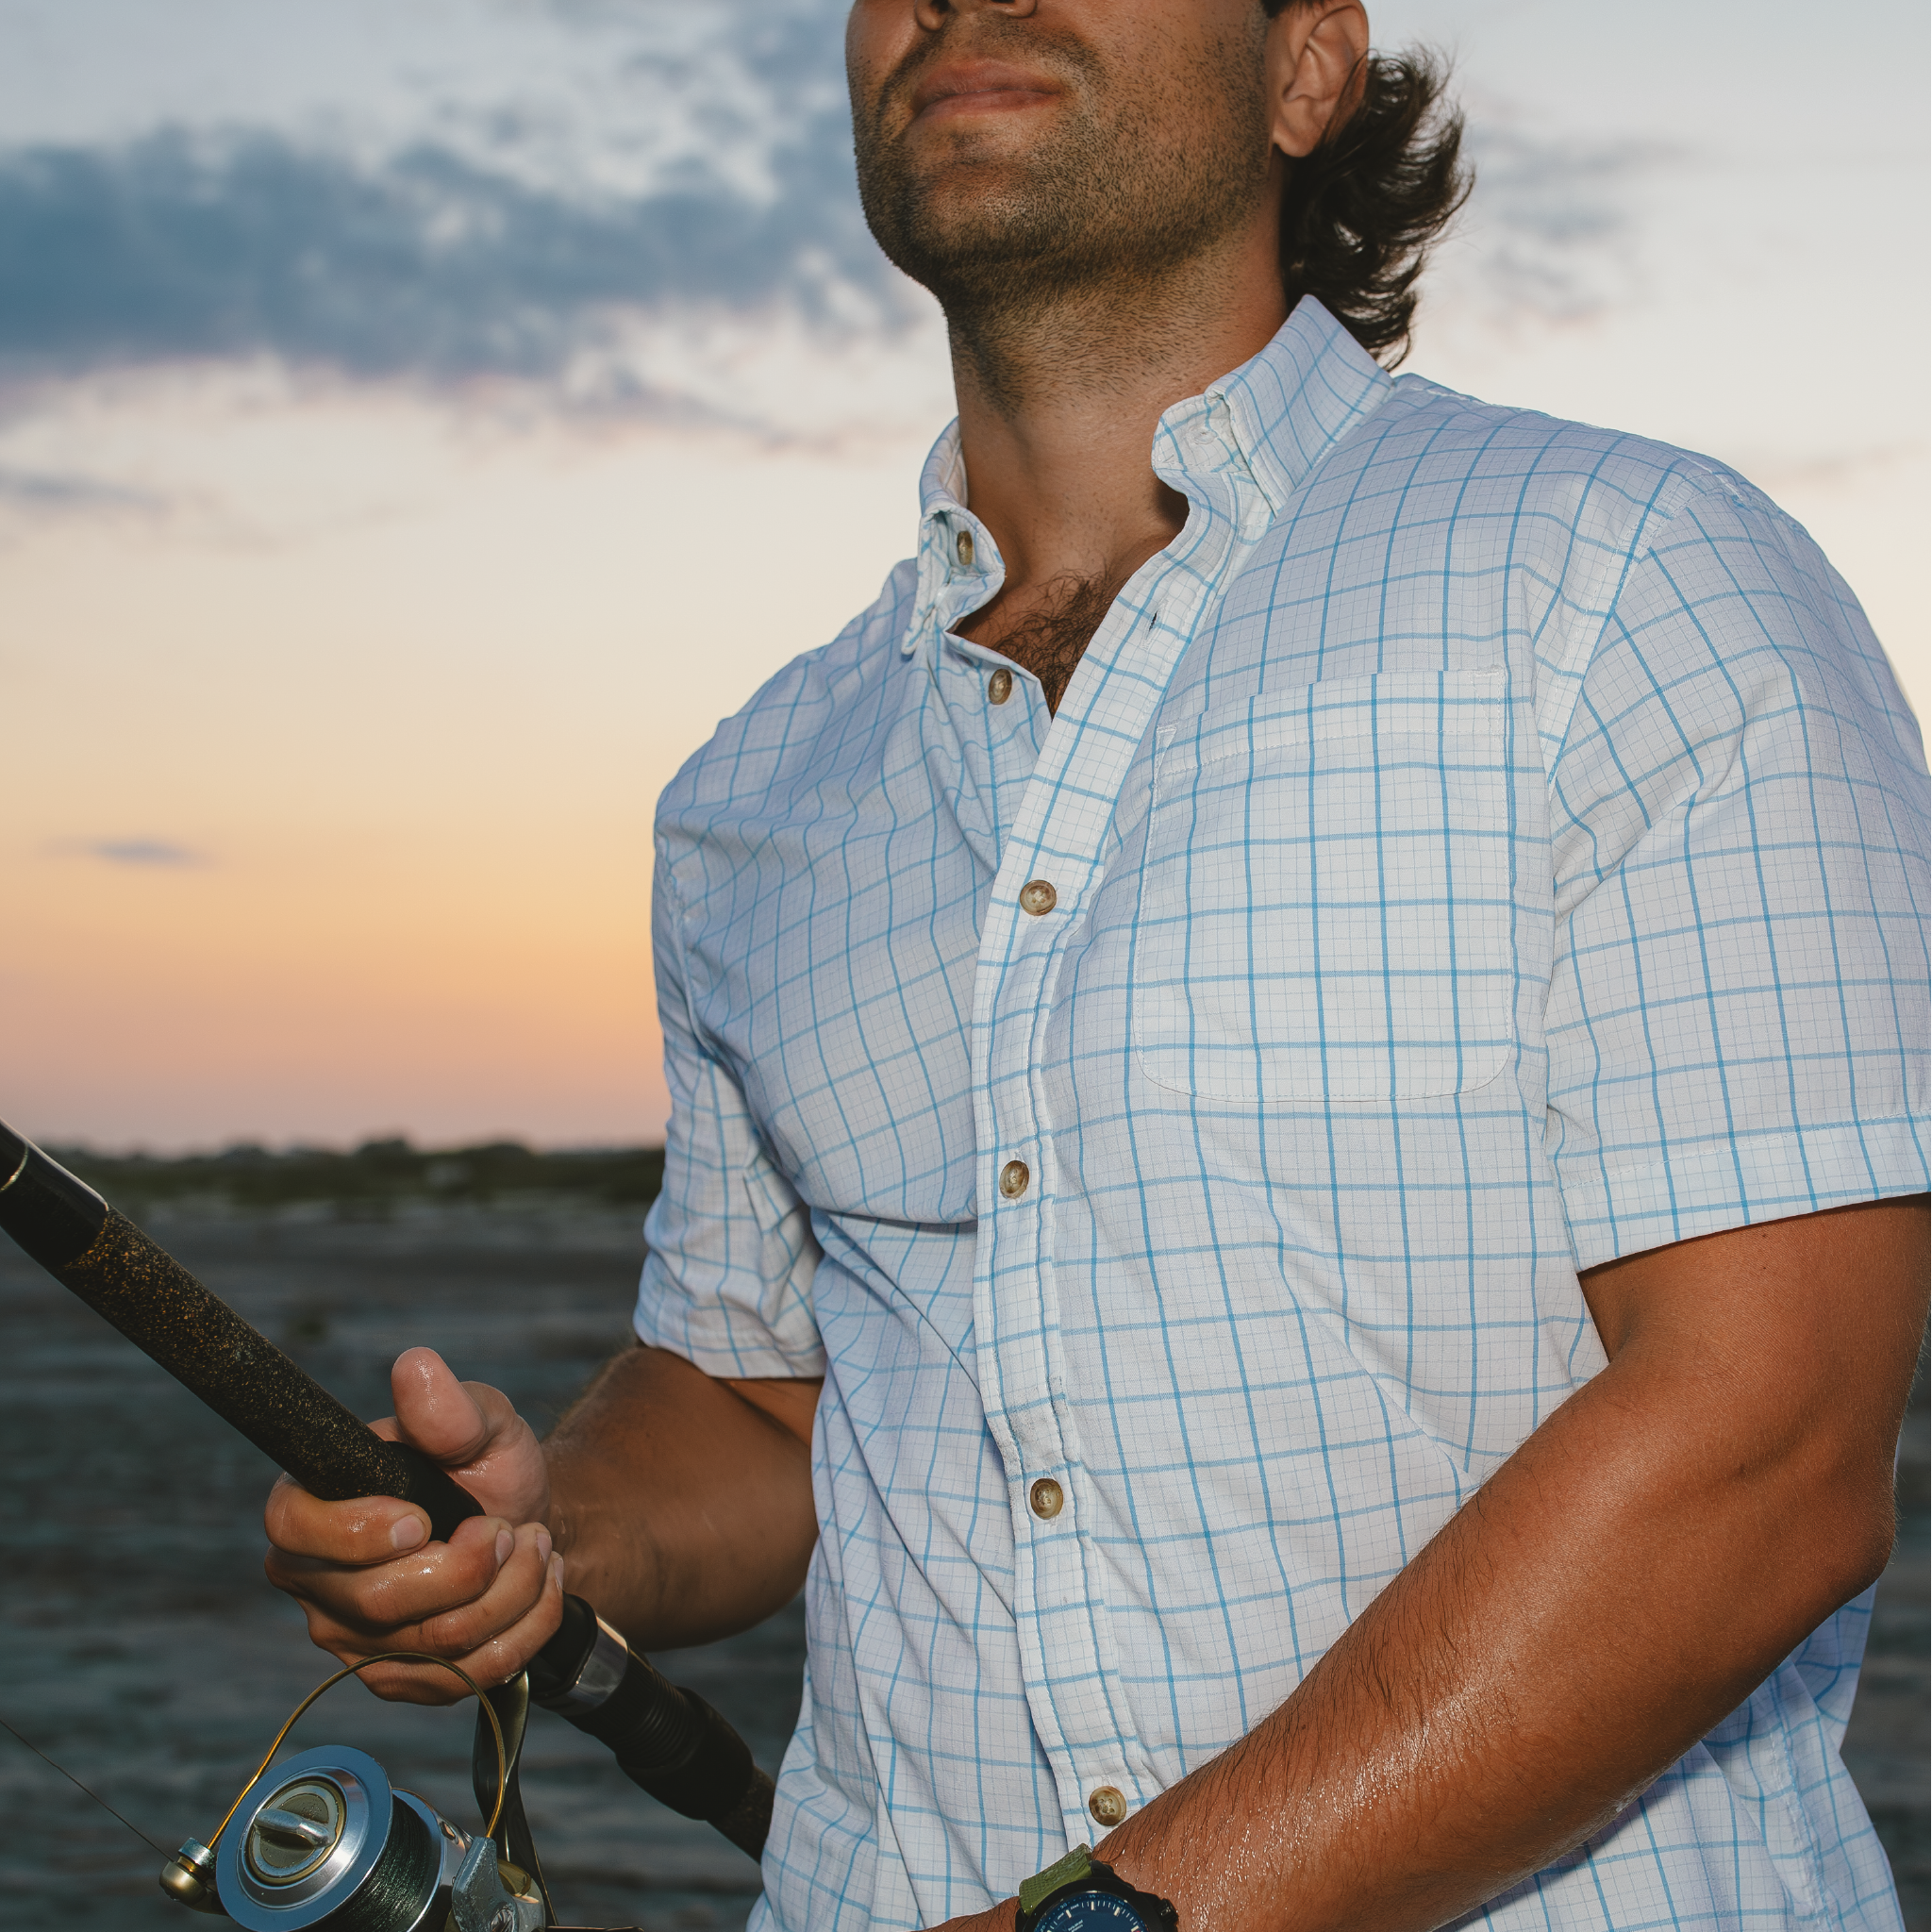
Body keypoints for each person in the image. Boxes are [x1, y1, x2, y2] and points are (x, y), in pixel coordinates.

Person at [263, 3, 1930, 1930]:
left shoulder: (1628, 580)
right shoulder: (755, 790)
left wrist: (1116, 1916)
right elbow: (767, 1398)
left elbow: (1765, 1449)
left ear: (1307, 70)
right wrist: (560, 1532)